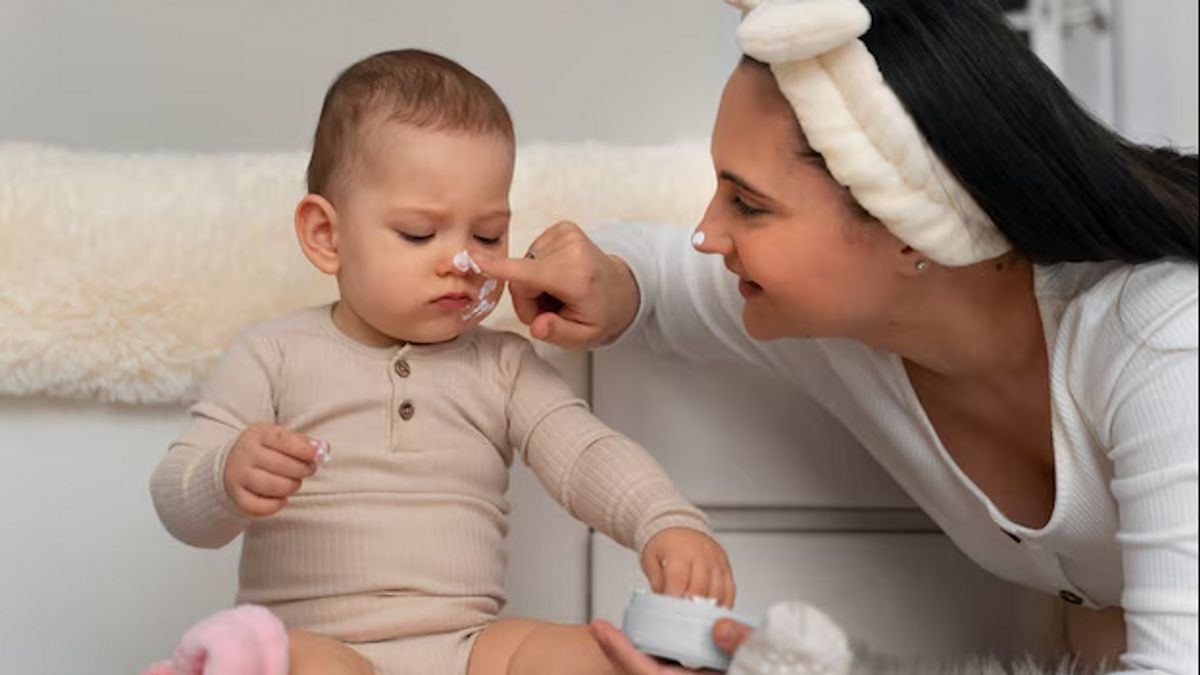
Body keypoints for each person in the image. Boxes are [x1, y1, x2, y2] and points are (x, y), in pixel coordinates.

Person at [475, 0, 1199, 672]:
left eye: (748, 205)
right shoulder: (845, 328)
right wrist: (611, 283)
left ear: (912, 224)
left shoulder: (1162, 337)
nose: (706, 233)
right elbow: (657, 276)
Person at [148, 49, 733, 675]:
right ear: (327, 236)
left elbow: (587, 455)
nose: (461, 262)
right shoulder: (275, 353)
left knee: (603, 657)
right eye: (420, 234)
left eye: (486, 236)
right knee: (289, 661)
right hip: (323, 642)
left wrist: (665, 522)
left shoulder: (503, 367)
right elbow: (180, 504)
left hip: (468, 648)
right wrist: (226, 476)